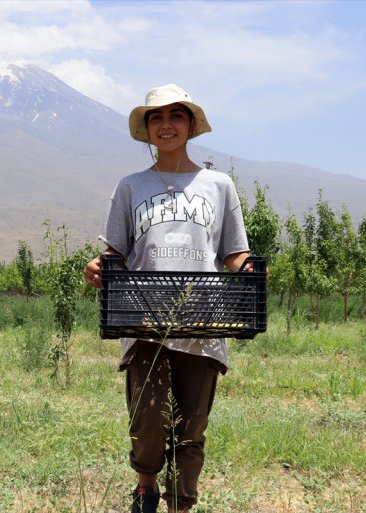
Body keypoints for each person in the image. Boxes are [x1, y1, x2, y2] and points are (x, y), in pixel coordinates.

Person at [83, 84, 251, 513]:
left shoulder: (219, 185)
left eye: (176, 115)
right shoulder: (130, 186)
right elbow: (116, 252)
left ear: (191, 124)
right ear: (147, 128)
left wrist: (249, 269)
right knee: (149, 418)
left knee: (191, 426)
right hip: (144, 321)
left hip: (202, 322)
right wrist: (99, 266)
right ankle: (146, 488)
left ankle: (180, 503)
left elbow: (233, 252)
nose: (166, 124)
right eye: (156, 117)